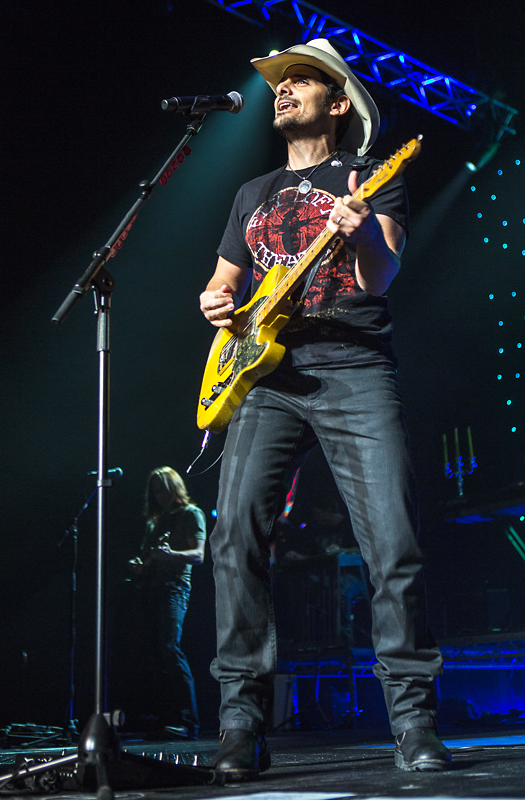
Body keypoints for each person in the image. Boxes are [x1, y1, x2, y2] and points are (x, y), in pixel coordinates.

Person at [199, 39, 451, 779]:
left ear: (336, 103)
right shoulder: (251, 191)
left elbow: (379, 277)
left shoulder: (369, 177)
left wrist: (361, 230)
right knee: (233, 537)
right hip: (266, 377)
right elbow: (221, 285)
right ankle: (240, 723)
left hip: (353, 368)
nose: (283, 91)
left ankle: (411, 719)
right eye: (279, 84)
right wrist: (214, 303)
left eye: (301, 82)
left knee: (391, 543)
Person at [129, 466, 206, 740]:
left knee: (171, 650)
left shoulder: (191, 514)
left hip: (174, 590)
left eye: (163, 489)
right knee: (156, 656)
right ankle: (167, 718)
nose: (159, 495)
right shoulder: (157, 522)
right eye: (155, 491)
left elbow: (198, 556)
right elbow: (149, 558)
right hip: (150, 591)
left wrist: (171, 555)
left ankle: (189, 720)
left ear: (175, 487)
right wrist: (140, 566)